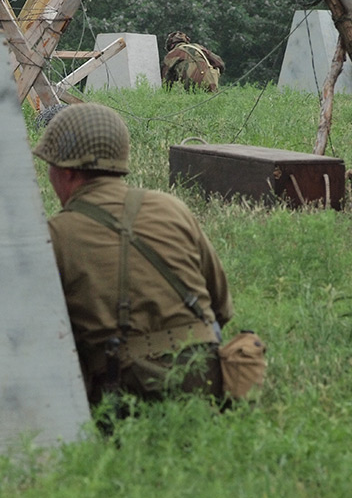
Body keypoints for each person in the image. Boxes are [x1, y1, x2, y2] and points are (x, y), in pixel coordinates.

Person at [31, 103, 234, 412]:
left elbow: (42, 338)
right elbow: (221, 307)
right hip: (205, 380)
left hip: (129, 391)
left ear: (67, 171)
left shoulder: (55, 235)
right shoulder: (173, 208)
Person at [160, 31, 225, 92]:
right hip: (211, 85)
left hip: (192, 88)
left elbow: (165, 81)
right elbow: (219, 63)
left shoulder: (172, 54)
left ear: (171, 46)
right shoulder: (198, 47)